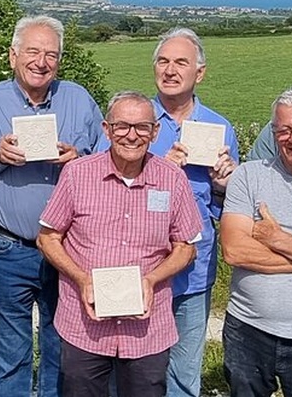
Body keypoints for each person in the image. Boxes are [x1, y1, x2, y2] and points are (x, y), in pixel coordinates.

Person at [0, 15, 103, 396]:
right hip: (6, 248)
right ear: (13, 56)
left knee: (63, 348)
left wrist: (79, 159)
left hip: (69, 247)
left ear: (60, 60)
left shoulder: (79, 100)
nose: (41, 62)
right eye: (33, 52)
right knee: (9, 353)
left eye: (51, 55)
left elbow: (109, 163)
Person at [96, 27, 238, 397]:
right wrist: (158, 169)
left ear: (199, 73)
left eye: (181, 63)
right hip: (133, 269)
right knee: (124, 373)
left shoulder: (220, 128)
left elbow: (224, 211)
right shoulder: (130, 122)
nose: (170, 70)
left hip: (192, 273)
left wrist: (224, 185)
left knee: (182, 375)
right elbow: (100, 192)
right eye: (163, 61)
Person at [37, 90, 202, 397]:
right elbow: (47, 238)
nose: (131, 135)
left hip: (147, 330)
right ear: (107, 129)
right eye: (122, 126)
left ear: (155, 132)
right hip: (84, 325)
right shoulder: (77, 174)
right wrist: (81, 278)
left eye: (142, 127)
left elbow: (186, 247)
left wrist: (152, 279)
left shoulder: (173, 179)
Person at [219, 86, 292, 397]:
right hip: (247, 330)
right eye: (284, 130)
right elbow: (235, 251)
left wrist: (277, 238)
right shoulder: (249, 176)